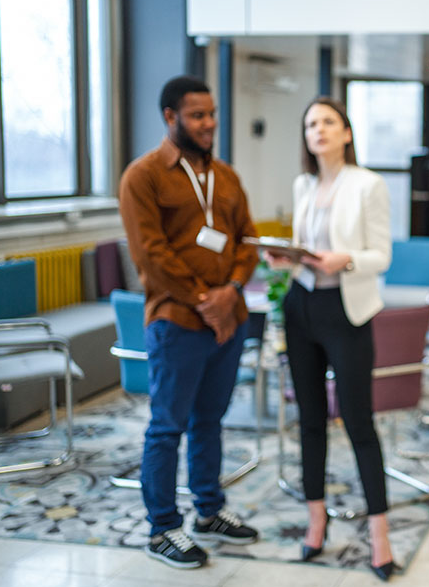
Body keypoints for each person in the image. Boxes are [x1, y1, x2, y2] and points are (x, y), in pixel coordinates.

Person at [120, 75, 260, 569]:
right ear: (170, 117)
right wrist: (205, 299)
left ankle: (209, 511)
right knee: (167, 427)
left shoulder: (226, 175)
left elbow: (247, 240)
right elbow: (150, 255)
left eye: (212, 114)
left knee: (210, 421)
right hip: (178, 322)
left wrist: (232, 292)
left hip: (229, 319)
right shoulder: (143, 176)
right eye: (197, 115)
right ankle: (162, 528)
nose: (208, 124)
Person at [266, 97, 396, 581]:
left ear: (345, 132)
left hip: (346, 310)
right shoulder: (304, 183)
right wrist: (290, 259)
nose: (317, 130)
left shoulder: (368, 184)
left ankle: (379, 532)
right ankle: (315, 520)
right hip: (300, 306)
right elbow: (306, 248)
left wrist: (345, 259)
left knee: (359, 422)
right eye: (310, 124)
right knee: (310, 422)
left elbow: (381, 255)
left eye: (327, 122)